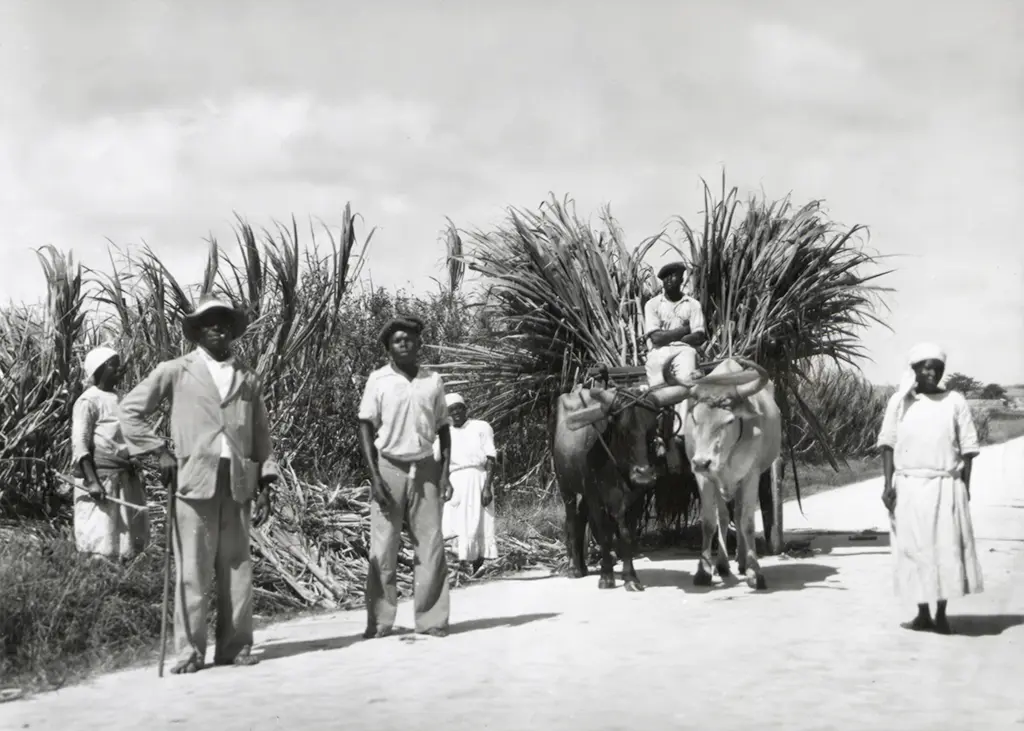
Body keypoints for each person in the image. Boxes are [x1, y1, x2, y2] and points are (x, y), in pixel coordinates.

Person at [118, 294, 279, 674]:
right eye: (209, 321)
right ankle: (189, 652)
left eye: (224, 320)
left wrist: (267, 482)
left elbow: (261, 434)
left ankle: (235, 647)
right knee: (193, 569)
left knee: (237, 567)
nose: (218, 327)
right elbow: (130, 411)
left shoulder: (248, 377)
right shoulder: (175, 370)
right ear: (198, 330)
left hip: (238, 481)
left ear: (233, 329)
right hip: (193, 480)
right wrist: (158, 451)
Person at [877, 342, 983, 635]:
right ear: (914, 370)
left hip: (946, 486)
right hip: (908, 486)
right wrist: (888, 485)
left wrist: (965, 487)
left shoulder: (955, 401)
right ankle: (922, 613)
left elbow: (968, 448)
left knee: (945, 551)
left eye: (937, 368)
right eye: (926, 367)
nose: (932, 373)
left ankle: (941, 615)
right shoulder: (899, 402)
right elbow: (888, 444)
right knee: (914, 551)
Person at [358, 314, 453, 639]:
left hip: (426, 468)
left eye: (410, 339)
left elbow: (443, 427)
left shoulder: (433, 380)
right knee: (383, 548)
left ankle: (432, 620)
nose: (404, 344)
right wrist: (374, 477)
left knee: (431, 546)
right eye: (397, 340)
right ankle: (379, 621)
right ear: (389, 347)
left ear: (419, 344)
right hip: (389, 468)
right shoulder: (378, 380)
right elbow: (365, 426)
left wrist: (444, 474)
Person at [70, 346, 150, 561]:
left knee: (125, 539)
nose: (119, 369)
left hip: (124, 476)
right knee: (100, 535)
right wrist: (92, 481)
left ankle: (122, 575)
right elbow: (80, 444)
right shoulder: (88, 401)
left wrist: (134, 457)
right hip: (101, 477)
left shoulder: (121, 398)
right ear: (100, 369)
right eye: (114, 365)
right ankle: (95, 573)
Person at [643, 261, 707, 469]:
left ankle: (679, 434)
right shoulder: (653, 305)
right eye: (665, 277)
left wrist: (672, 337)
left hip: (684, 349)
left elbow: (699, 336)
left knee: (686, 381)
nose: (670, 280)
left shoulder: (692, 304)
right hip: (658, 351)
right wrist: (683, 330)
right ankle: (658, 434)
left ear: (682, 278)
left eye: (674, 275)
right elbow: (656, 338)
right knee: (657, 387)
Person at [435, 393, 499, 574]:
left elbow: (491, 458)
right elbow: (437, 461)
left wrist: (487, 487)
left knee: (479, 520)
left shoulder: (481, 427)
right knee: (453, 523)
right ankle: (460, 567)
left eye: (459, 408)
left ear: (465, 409)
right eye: (451, 410)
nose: (456, 413)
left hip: (478, 478)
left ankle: (479, 564)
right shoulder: (444, 435)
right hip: (455, 481)